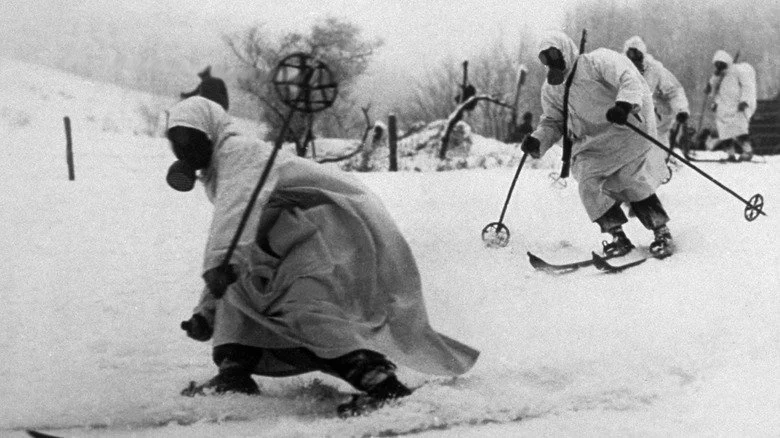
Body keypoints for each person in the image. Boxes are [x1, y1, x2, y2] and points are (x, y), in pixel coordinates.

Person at [165, 97, 479, 416]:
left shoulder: (238, 151)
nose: (184, 149)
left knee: (306, 307)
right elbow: (236, 233)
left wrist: (220, 262)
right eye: (176, 141)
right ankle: (234, 373)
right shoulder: (220, 170)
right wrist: (206, 310)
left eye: (190, 139)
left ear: (210, 133)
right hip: (288, 233)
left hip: (329, 224)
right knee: (239, 289)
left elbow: (236, 211)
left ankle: (383, 385)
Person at [520, 31, 673, 258]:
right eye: (545, 58)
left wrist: (624, 105)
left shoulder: (597, 62)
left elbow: (628, 78)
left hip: (624, 133)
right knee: (588, 186)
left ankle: (661, 232)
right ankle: (617, 236)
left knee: (630, 182)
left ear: (565, 50)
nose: (552, 61)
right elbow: (553, 121)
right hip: (592, 145)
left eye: (555, 54)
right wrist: (538, 139)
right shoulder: (552, 89)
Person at [623, 36, 690, 148]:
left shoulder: (655, 70)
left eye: (637, 57)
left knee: (656, 146)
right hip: (634, 119)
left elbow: (674, 91)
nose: (634, 61)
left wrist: (681, 109)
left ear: (643, 56)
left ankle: (663, 161)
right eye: (630, 58)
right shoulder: (623, 70)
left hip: (657, 118)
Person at [705, 50, 757, 161]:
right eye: (717, 63)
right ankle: (730, 154)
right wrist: (715, 103)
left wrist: (745, 100)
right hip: (723, 108)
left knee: (740, 130)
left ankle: (747, 151)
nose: (719, 66)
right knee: (724, 132)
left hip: (737, 106)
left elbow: (747, 86)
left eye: (721, 63)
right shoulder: (718, 76)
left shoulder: (737, 70)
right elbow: (717, 92)